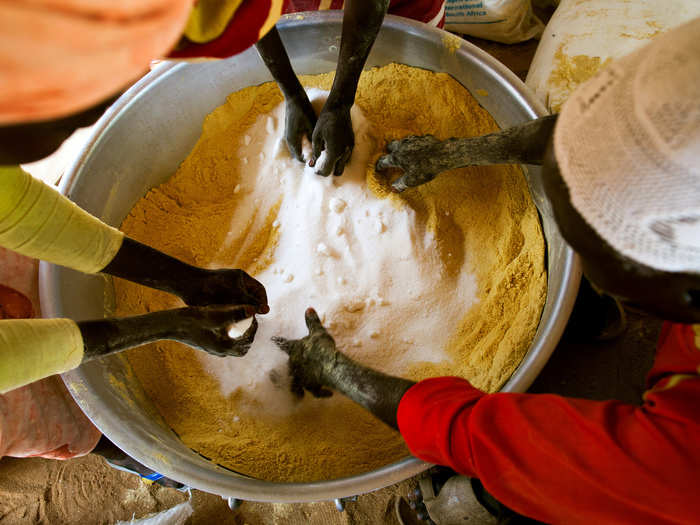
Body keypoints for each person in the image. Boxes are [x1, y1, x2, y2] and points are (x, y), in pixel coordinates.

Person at [272, 17, 700, 524]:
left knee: (500, 500)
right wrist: (457, 152)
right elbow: (581, 138)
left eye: (595, 263)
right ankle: (592, 318)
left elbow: (480, 435)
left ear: (684, 297)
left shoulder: (677, 463)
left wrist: (334, 368)